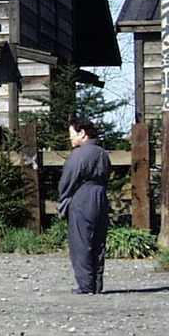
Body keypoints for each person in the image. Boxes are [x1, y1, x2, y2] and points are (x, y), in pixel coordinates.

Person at [58, 116, 112, 294]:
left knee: (81, 242)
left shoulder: (80, 154)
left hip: (82, 197)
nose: (71, 138)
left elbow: (67, 180)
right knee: (98, 242)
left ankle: (86, 285)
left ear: (82, 133)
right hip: (100, 196)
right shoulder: (102, 153)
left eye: (72, 134)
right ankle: (96, 284)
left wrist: (64, 200)